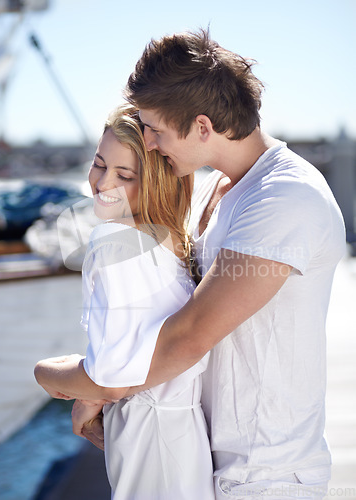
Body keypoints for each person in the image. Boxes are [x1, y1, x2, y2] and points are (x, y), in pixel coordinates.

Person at [74, 29, 346, 499]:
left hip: (266, 479)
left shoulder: (285, 197)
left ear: (202, 127)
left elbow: (189, 336)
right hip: (205, 465)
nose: (151, 144)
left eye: (155, 129)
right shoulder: (214, 192)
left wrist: (78, 382)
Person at [34, 104, 215, 499]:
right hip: (178, 434)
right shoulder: (170, 241)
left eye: (124, 175)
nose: (102, 183)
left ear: (156, 182)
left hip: (149, 437)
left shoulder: (114, 242)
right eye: (100, 164)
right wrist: (90, 392)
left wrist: (47, 374)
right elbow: (130, 356)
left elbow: (112, 381)